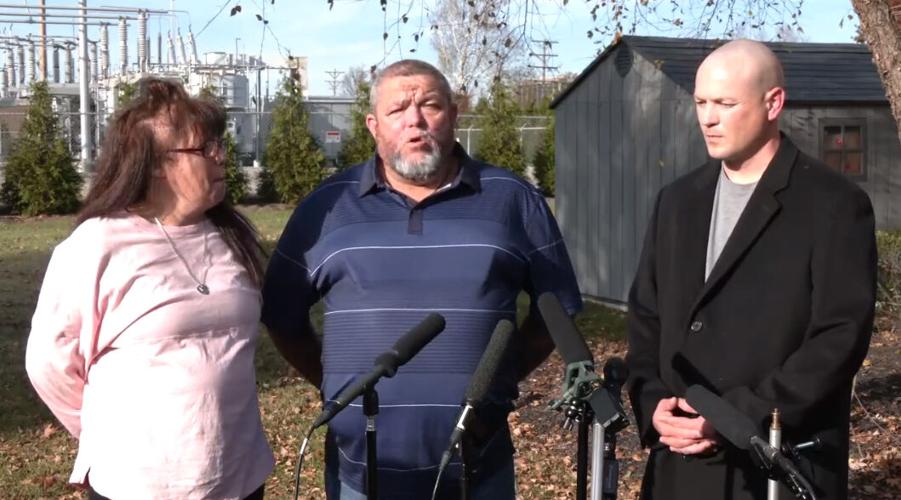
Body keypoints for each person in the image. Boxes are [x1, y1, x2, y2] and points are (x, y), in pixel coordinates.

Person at [262, 59, 582, 499]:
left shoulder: (512, 198)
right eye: (398, 110)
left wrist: (495, 379)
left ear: (453, 115)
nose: (415, 120)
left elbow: (556, 312)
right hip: (362, 473)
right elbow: (282, 316)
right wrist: (340, 386)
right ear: (374, 125)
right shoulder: (327, 205)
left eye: (429, 104)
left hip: (478, 470)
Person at [626, 39, 876, 499]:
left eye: (725, 103)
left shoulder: (834, 204)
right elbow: (646, 318)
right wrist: (651, 401)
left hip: (776, 464)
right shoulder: (676, 202)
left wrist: (736, 415)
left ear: (773, 103)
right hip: (678, 469)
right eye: (701, 102)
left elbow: (839, 337)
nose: (708, 118)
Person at [25, 77, 274, 499]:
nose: (221, 158)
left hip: (239, 476)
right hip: (138, 483)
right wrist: (105, 432)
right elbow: (49, 363)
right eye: (205, 149)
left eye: (220, 145)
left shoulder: (230, 236)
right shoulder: (97, 244)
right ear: (157, 162)